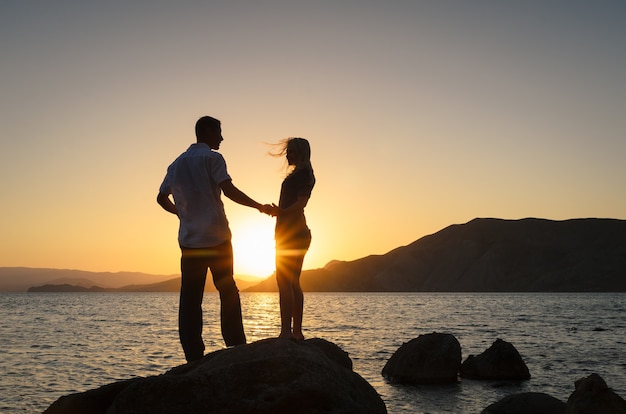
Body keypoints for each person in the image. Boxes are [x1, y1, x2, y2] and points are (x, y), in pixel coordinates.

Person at [157, 115, 271, 362]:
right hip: (217, 238)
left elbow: (161, 197)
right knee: (227, 289)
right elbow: (228, 190)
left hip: (189, 242)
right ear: (207, 131)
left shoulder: (176, 164)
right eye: (219, 131)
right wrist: (259, 207)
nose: (221, 137)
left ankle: (193, 356)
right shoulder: (213, 158)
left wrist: (181, 213)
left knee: (190, 298)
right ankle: (236, 346)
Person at [269, 138, 316, 340]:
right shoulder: (301, 174)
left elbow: (301, 203)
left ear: (299, 153)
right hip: (294, 234)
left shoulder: (304, 175)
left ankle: (287, 332)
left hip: (292, 235)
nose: (287, 155)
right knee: (292, 282)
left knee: (284, 281)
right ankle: (295, 332)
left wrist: (281, 212)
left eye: (290, 152)